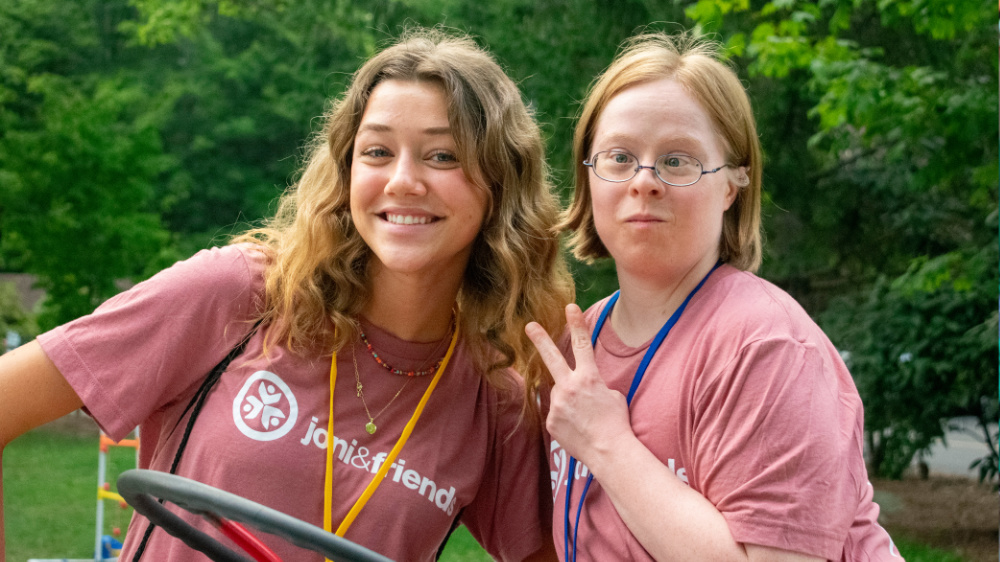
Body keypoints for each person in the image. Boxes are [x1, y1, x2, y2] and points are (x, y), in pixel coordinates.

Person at [0, 28, 573, 561]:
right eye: (376, 152)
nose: (402, 180)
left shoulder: (495, 400)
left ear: (500, 186)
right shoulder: (238, 296)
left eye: (442, 155)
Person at [524, 31, 903, 561]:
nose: (645, 180)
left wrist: (606, 444)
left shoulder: (767, 346)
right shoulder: (577, 349)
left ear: (733, 183)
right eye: (618, 157)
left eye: (679, 161)